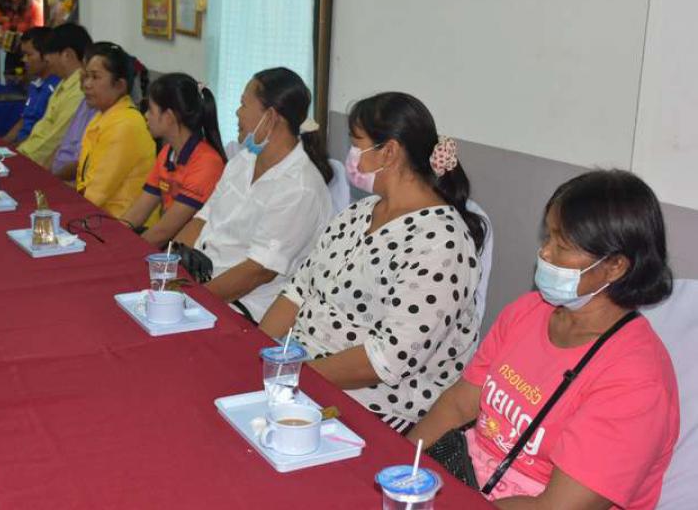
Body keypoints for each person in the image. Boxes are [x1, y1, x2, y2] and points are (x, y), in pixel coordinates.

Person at [407, 170, 679, 509]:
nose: (545, 253)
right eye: (548, 237)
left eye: (561, 245)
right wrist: (401, 463)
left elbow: (555, 507)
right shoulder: (528, 312)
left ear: (615, 266)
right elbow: (458, 404)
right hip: (468, 478)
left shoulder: (637, 382)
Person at [259, 92, 486, 433]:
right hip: (302, 374)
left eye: (356, 145)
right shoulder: (358, 213)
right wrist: (258, 355)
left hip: (372, 403)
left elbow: (388, 358)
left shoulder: (442, 243)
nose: (351, 157)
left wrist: (294, 377)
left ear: (389, 152)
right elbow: (298, 291)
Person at [174, 67, 334, 324]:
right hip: (200, 283)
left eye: (244, 104)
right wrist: (169, 266)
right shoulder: (243, 160)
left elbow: (257, 272)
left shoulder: (300, 188)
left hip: (244, 306)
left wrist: (188, 300)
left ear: (270, 117)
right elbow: (202, 220)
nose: (237, 112)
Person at [119, 73, 227, 248]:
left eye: (151, 110)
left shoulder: (207, 163)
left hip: (193, 249)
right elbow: (138, 212)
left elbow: (165, 231)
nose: (146, 115)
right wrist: (113, 238)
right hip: (170, 244)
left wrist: (127, 251)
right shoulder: (167, 152)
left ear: (169, 117)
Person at [74, 42, 156, 218]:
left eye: (95, 77)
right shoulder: (102, 116)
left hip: (122, 223)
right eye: (86, 76)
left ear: (119, 85)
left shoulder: (125, 125)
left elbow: (95, 195)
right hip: (98, 214)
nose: (86, 84)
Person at [17, 24, 90, 169]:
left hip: (37, 165)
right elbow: (43, 128)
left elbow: (53, 140)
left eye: (49, 53)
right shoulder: (64, 83)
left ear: (67, 55)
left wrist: (21, 160)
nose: (47, 59)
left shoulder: (79, 91)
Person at [2, 27, 60, 144]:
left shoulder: (57, 88)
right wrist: (1, 144)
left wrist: (15, 149)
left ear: (46, 55)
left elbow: (45, 135)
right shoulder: (34, 85)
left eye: (28, 55)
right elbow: (24, 120)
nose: (24, 60)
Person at [0, 0, 44, 79]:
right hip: (10, 56)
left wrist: (12, 38)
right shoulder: (0, 7)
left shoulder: (35, 7)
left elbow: (36, 37)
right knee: (10, 84)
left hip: (30, 57)